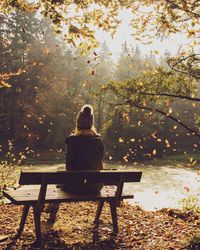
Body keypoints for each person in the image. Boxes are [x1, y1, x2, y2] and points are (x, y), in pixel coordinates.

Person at [47, 104, 104, 222]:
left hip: (75, 187)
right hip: (95, 186)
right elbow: (99, 163)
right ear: (91, 123)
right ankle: (51, 207)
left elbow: (69, 168)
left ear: (78, 122)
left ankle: (52, 211)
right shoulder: (99, 141)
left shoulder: (73, 140)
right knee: (63, 180)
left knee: (60, 181)